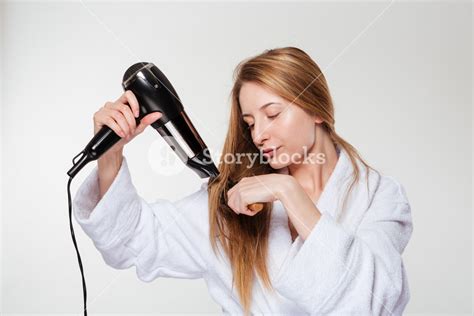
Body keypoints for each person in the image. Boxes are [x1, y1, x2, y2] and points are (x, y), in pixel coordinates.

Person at [73, 47, 413, 315]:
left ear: (317, 110)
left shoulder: (379, 196)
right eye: (250, 122)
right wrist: (111, 155)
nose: (260, 134)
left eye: (273, 114)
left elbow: (376, 303)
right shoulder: (231, 200)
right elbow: (132, 241)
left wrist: (289, 192)